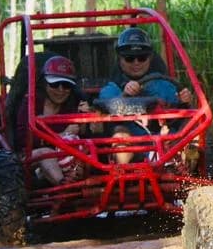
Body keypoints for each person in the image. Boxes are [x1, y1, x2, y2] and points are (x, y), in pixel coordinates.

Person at [97, 27, 193, 164]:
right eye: (129, 58)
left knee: (195, 124)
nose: (136, 63)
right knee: (119, 133)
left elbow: (182, 116)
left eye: (142, 57)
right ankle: (126, 177)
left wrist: (185, 101)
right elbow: (105, 111)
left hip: (167, 142)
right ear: (120, 59)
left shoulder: (164, 85)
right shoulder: (111, 89)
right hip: (133, 149)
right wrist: (125, 95)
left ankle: (181, 166)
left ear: (150, 58)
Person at [15, 55, 89, 185]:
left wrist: (85, 120)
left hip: (65, 157)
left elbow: (82, 137)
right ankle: (63, 185)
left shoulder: (72, 105)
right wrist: (60, 136)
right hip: (32, 155)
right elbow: (21, 138)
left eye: (66, 85)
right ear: (45, 83)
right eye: (54, 84)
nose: (60, 90)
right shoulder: (32, 103)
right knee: (46, 153)